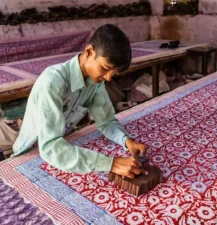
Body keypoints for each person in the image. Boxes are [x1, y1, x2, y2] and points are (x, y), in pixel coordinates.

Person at [11, 24, 147, 178]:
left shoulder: (96, 83)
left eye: (114, 72)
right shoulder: (53, 82)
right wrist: (111, 163)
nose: (109, 77)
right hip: (33, 151)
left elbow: (106, 121)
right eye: (105, 68)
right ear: (89, 51)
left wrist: (127, 141)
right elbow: (49, 147)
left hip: (62, 146)